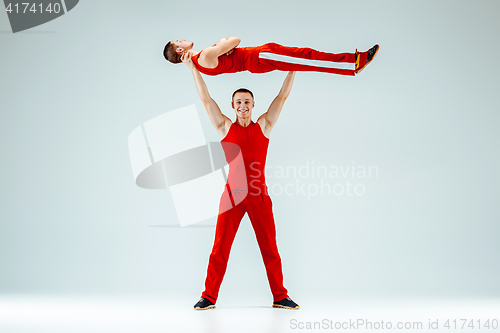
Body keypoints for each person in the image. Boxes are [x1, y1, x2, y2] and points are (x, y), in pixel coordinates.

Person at [182, 52, 299, 310]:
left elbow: (282, 97)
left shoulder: (264, 126)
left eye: (247, 102)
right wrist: (192, 67)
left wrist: (293, 68)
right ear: (233, 106)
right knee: (219, 249)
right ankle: (208, 296)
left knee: (270, 248)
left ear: (253, 104)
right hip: (232, 196)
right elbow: (205, 99)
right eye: (238, 102)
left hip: (259, 196)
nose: (243, 106)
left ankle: (280, 296)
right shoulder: (225, 127)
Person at [164, 37, 379, 76]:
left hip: (260, 56)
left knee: (305, 56)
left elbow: (230, 46)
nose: (182, 38)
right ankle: (353, 63)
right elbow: (235, 39)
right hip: (259, 58)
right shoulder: (203, 58)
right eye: (178, 41)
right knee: (307, 59)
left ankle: (352, 62)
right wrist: (223, 42)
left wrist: (224, 45)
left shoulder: (201, 61)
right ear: (180, 50)